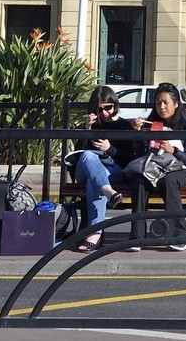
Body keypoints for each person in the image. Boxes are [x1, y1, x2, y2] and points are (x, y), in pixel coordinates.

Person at [123, 82, 186, 251]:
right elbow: (140, 154)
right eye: (158, 103)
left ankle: (180, 236)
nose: (162, 107)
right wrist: (138, 134)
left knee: (168, 181)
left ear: (176, 104)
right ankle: (137, 237)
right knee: (139, 179)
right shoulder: (152, 122)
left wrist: (173, 150)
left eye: (166, 102)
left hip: (185, 170)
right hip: (157, 167)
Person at [68, 85, 139, 252]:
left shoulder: (124, 125)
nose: (105, 113)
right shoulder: (91, 125)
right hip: (84, 169)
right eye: (100, 110)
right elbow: (77, 155)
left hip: (113, 170)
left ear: (115, 105)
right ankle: (107, 190)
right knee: (88, 155)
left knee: (94, 183)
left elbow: (129, 159)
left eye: (108, 108)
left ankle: (95, 234)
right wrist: (86, 130)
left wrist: (110, 150)